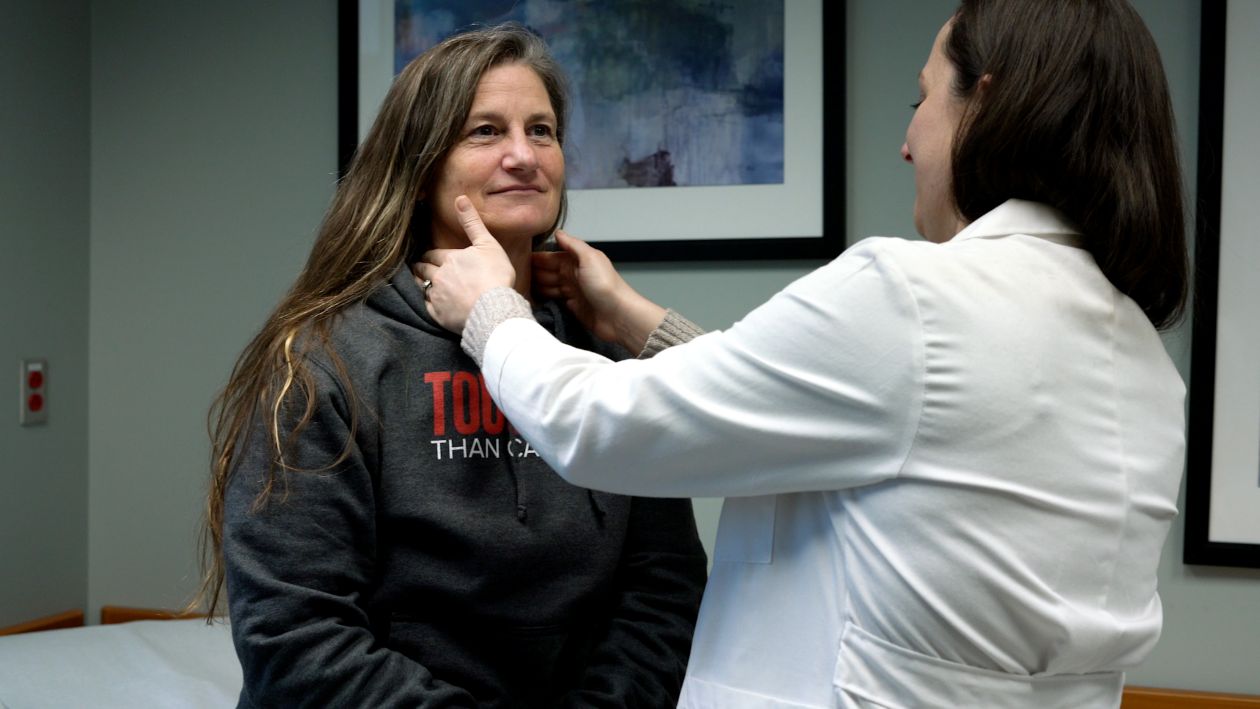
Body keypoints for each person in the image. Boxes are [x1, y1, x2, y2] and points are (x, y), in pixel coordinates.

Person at [416, 0, 1189, 706]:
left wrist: (491, 311)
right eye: (486, 131)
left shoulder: (910, 298)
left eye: (920, 98)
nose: (906, 140)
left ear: (982, 101)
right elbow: (845, 408)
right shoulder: (1141, 358)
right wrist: (637, 323)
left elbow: (598, 423)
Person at [195, 24, 708, 708]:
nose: (523, 155)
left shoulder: (604, 352)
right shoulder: (324, 359)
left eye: (543, 130)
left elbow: (664, 588)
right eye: (486, 132)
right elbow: (296, 636)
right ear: (420, 166)